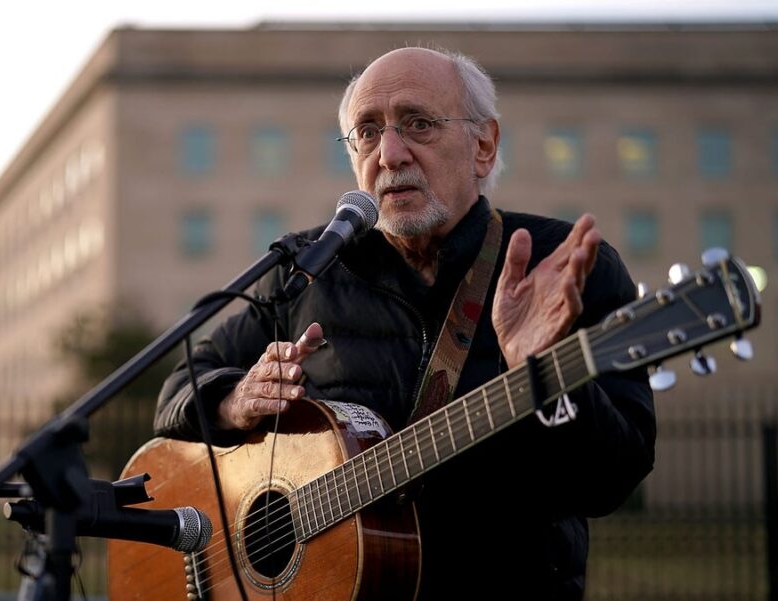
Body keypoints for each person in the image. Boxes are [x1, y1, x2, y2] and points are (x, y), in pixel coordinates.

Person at [154, 46, 656, 600]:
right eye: (367, 133)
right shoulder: (307, 270)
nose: (391, 154)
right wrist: (234, 400)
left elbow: (614, 478)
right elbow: (178, 391)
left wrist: (550, 379)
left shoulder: (562, 266)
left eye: (418, 124)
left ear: (483, 146)